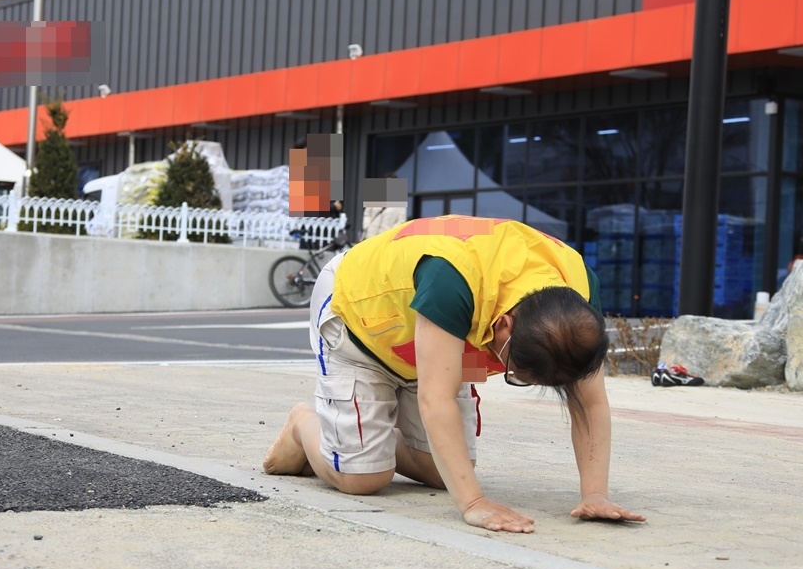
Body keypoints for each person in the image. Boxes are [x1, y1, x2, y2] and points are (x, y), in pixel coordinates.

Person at [263, 215, 646, 533]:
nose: (505, 373)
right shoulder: (454, 280)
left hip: (433, 338)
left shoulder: (575, 293)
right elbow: (437, 398)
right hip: (361, 319)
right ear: (506, 325)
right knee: (363, 479)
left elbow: (590, 402)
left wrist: (595, 493)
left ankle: (371, 434)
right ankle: (304, 424)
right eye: (514, 372)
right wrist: (474, 502)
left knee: (439, 470)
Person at [361, 173, 408, 240]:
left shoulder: (399, 203)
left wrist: (391, 232)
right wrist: (366, 226)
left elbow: (401, 221)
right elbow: (367, 213)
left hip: (386, 238)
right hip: (369, 236)